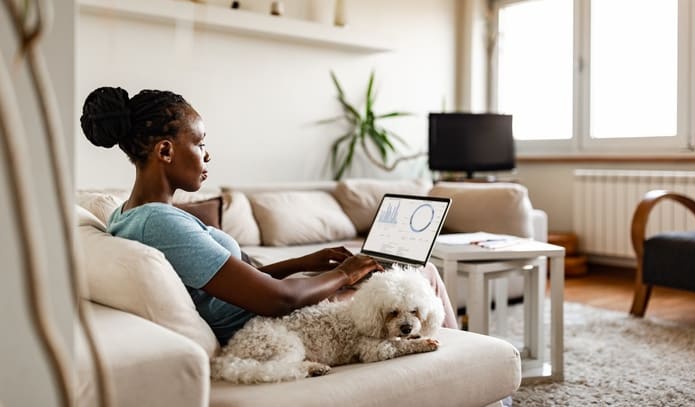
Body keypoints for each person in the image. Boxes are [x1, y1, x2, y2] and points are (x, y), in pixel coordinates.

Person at [80, 87, 457, 346]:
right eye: (199, 142)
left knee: (398, 272)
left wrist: (303, 262)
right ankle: (476, 379)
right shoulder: (159, 223)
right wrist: (346, 273)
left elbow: (231, 282)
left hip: (259, 309)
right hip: (270, 323)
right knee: (420, 274)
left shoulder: (126, 215)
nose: (206, 155)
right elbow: (275, 300)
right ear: (165, 150)